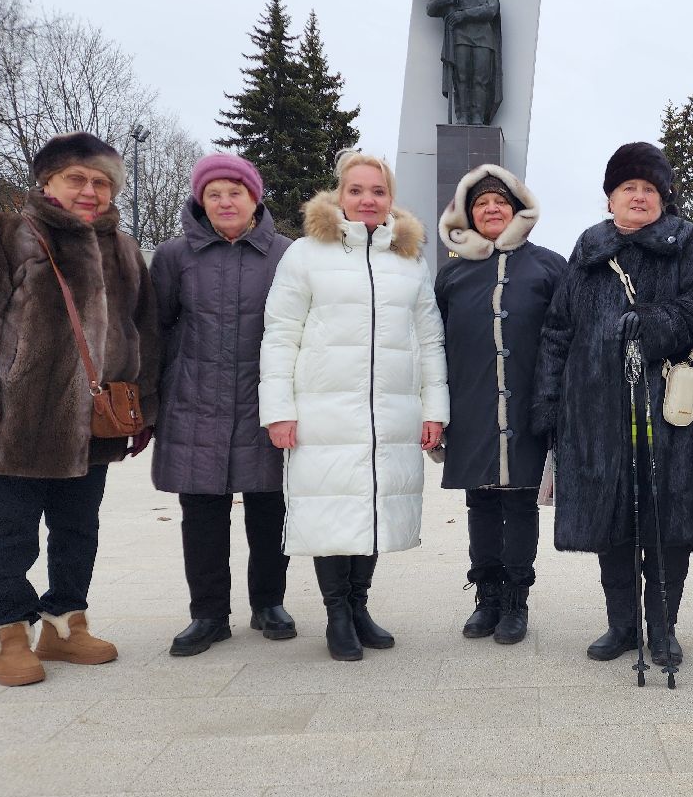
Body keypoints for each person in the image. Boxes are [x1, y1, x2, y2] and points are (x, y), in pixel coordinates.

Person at [0, 132, 159, 686]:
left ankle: (64, 622)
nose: (90, 190)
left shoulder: (122, 248)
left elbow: (141, 332)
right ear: (47, 181)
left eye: (101, 182)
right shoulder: (9, 234)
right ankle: (4, 635)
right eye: (77, 178)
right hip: (17, 422)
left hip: (95, 426)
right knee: (10, 530)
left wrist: (143, 405)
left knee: (79, 528)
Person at [532, 142, 693, 668]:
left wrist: (655, 324)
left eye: (648, 188)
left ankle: (662, 629)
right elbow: (558, 331)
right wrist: (549, 405)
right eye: (628, 188)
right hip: (596, 413)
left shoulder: (686, 244)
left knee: (669, 517)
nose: (638, 197)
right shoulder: (589, 249)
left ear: (663, 196)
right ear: (609, 198)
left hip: (669, 413)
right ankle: (621, 625)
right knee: (612, 518)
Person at [260, 150, 449, 661]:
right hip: (323, 409)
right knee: (332, 511)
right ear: (339, 195)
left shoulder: (409, 258)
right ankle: (336, 613)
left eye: (378, 191)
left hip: (389, 410)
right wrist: (278, 409)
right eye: (357, 190)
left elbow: (428, 339)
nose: (368, 200)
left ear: (391, 201)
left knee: (373, 508)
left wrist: (435, 410)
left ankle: (360, 606)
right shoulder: (304, 254)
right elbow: (280, 335)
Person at [150, 154, 295, 656]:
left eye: (235, 192)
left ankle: (269, 603)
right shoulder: (173, 256)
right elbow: (158, 329)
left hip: (265, 403)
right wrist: (156, 398)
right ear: (200, 201)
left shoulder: (286, 254)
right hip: (195, 404)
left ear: (255, 198)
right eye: (214, 194)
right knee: (203, 514)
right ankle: (208, 615)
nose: (225, 202)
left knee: (269, 508)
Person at [436, 164, 567, 644]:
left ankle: (516, 600)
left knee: (520, 502)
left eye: (500, 202)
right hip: (471, 405)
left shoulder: (550, 266)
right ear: (467, 215)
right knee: (481, 501)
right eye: (481, 204)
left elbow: (566, 337)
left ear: (517, 209)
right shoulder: (451, 275)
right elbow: (434, 345)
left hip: (529, 406)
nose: (491, 209)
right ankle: (486, 597)